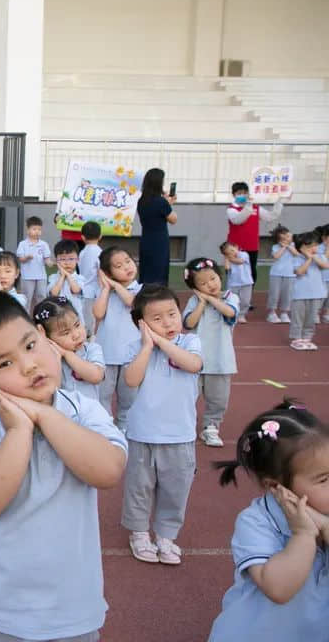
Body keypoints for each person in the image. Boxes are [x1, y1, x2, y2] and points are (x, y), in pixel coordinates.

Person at [0, 291, 126, 641]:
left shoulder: (84, 411)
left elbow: (108, 471)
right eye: (4, 364)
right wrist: (18, 429)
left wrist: (43, 414)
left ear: (44, 338)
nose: (29, 366)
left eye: (29, 346)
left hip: (71, 611)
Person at [208, 403, 329, 641]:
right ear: (276, 487)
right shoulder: (257, 522)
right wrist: (303, 534)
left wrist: (323, 526)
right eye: (324, 479)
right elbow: (279, 589)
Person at [122, 285, 203, 565]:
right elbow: (131, 380)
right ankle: (140, 533)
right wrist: (147, 345)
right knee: (139, 487)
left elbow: (192, 365)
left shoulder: (190, 343)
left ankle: (166, 536)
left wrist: (164, 342)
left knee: (176, 489)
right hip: (142, 433)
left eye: (172, 313)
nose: (168, 322)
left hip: (180, 435)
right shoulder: (135, 348)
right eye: (157, 318)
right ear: (141, 324)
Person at [180, 258, 238, 450]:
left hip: (221, 360)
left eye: (213, 279)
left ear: (219, 277)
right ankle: (183, 424)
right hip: (195, 360)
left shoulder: (230, 296)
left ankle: (211, 427)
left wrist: (211, 298)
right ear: (195, 287)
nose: (210, 285)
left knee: (218, 397)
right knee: (188, 395)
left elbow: (229, 313)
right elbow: (189, 323)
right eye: (203, 283)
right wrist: (201, 302)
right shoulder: (194, 301)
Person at [92, 247, 141, 430]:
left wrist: (116, 286)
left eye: (128, 261)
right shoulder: (106, 292)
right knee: (102, 396)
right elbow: (98, 313)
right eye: (118, 266)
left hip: (131, 356)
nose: (127, 267)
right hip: (107, 353)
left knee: (129, 398)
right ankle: (104, 429)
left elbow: (132, 302)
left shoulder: (141, 289)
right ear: (109, 273)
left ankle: (124, 428)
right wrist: (106, 287)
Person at [33, 296, 105, 407]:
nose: (76, 335)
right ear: (48, 337)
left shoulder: (92, 349)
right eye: (65, 333)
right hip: (63, 419)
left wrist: (67, 354)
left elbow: (96, 376)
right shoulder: (49, 358)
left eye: (77, 325)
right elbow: (52, 391)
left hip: (89, 418)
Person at [225, 181, 283, 291]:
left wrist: (279, 201)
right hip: (235, 248)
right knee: (235, 271)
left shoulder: (256, 208)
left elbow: (271, 216)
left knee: (251, 272)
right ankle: (231, 296)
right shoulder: (231, 209)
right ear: (234, 195)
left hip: (252, 246)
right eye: (239, 193)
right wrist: (248, 207)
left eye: (245, 193)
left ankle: (248, 296)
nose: (242, 195)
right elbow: (238, 220)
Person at [136, 168, 177, 286]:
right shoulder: (161, 202)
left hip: (146, 239)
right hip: (159, 240)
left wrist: (166, 202)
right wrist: (170, 203)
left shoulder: (141, 200)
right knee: (159, 271)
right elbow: (173, 219)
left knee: (146, 270)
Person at [288, 231, 328, 351]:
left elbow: (325, 266)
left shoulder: (319, 256)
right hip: (300, 294)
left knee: (311, 317)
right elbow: (300, 272)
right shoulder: (297, 258)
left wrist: (313, 257)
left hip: (317, 293)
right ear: (300, 248)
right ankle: (296, 338)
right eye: (309, 246)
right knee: (299, 316)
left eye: (315, 245)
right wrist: (308, 259)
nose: (313, 248)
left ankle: (307, 337)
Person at [47, 239, 86, 327]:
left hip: (76, 316)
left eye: (71, 259)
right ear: (56, 261)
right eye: (62, 259)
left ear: (77, 260)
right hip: (58, 317)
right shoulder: (53, 277)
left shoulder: (80, 278)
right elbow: (53, 293)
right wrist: (62, 276)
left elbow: (76, 290)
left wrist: (68, 275)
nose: (67, 262)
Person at [16, 216, 53, 309]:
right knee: (27, 298)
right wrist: (26, 258)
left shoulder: (43, 244)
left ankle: (40, 316)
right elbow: (20, 258)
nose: (37, 231)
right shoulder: (23, 244)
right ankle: (26, 317)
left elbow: (47, 258)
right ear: (28, 230)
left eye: (39, 229)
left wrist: (49, 263)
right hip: (27, 276)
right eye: (34, 229)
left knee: (41, 296)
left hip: (41, 276)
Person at [267, 225, 297, 324]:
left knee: (287, 294)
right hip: (276, 274)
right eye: (283, 237)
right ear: (279, 238)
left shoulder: (294, 245)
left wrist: (288, 246)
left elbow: (296, 254)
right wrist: (283, 247)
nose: (286, 238)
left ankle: (284, 313)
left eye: (288, 236)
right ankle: (272, 313)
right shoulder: (275, 247)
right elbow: (276, 256)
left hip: (290, 274)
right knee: (274, 294)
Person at [220, 240, 254, 323]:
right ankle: (232, 314)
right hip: (233, 284)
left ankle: (241, 315)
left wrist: (229, 258)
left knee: (245, 301)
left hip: (246, 283)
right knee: (231, 300)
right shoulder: (228, 259)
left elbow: (240, 261)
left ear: (236, 247)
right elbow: (227, 268)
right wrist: (226, 259)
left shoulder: (244, 254)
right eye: (228, 253)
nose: (232, 253)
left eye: (232, 250)